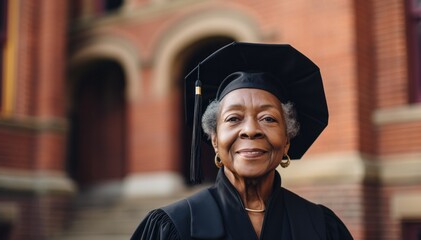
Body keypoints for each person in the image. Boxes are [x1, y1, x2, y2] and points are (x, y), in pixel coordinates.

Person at [131, 42, 353, 239]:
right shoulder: (174, 227)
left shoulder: (321, 227)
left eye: (268, 118)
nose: (250, 130)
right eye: (234, 118)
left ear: (287, 140)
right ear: (215, 140)